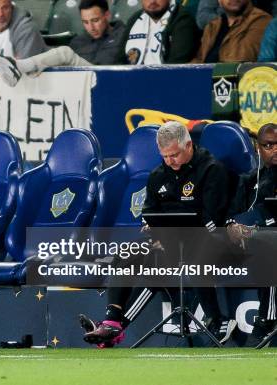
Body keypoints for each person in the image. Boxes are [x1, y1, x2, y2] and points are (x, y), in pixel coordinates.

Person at [81, 121, 232, 347]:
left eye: (174, 155)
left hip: (206, 241)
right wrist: (156, 234)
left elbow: (212, 219)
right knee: (127, 252)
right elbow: (149, 213)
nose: (170, 161)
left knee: (157, 266)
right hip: (166, 243)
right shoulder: (157, 175)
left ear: (189, 145)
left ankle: (216, 318)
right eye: (165, 156)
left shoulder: (212, 170)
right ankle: (112, 321)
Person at [0, 0, 127, 87]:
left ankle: (19, 66)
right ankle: (26, 69)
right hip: (81, 84)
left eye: (95, 20)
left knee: (64, 53)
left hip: (107, 80)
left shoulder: (124, 35)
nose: (91, 27)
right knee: (51, 62)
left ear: (107, 15)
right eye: (85, 22)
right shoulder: (79, 41)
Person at [225, 123, 277, 345]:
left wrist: (255, 229)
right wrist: (233, 226)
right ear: (258, 148)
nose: (275, 149)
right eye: (268, 145)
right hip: (249, 246)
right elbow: (232, 214)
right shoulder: (248, 180)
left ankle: (268, 317)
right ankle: (217, 319)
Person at [192, 0, 271, 63]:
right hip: (205, 79)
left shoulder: (261, 20)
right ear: (219, 1)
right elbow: (199, 60)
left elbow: (242, 59)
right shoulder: (212, 26)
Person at [123, 0, 200, 64]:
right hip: (132, 78)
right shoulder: (134, 19)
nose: (152, 1)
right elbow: (119, 59)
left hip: (167, 79)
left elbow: (176, 65)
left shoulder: (182, 19)